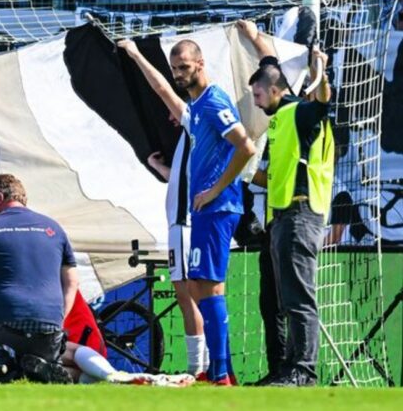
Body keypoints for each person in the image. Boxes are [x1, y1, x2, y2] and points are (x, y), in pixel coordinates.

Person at [117, 38, 256, 385]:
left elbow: (246, 146)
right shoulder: (196, 110)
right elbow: (162, 89)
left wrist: (215, 189)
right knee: (206, 288)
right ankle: (220, 371)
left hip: (216, 207)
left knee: (203, 288)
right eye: (175, 68)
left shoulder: (212, 102)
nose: (178, 74)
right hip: (207, 210)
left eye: (184, 67)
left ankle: (219, 372)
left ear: (201, 63)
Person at [243, 24, 333, 387]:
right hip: (281, 217)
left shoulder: (298, 112)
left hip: (300, 213)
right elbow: (269, 63)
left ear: (277, 91)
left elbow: (323, 101)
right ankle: (285, 370)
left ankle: (303, 371)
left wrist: (318, 70)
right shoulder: (280, 116)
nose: (255, 100)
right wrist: (253, 36)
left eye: (259, 93)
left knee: (298, 299)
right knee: (280, 300)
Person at [0, 174, 79, 384]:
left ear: (0, 197)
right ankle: (39, 365)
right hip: (50, 328)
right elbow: (72, 282)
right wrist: (58, 319)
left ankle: (2, 362)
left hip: (5, 324)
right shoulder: (54, 227)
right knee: (37, 369)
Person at [146, 117, 208, 378]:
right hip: (179, 224)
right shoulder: (186, 141)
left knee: (187, 295)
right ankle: (207, 366)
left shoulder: (196, 129)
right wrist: (159, 168)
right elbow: (182, 180)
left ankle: (199, 368)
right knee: (190, 295)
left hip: (183, 224)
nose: (169, 117)